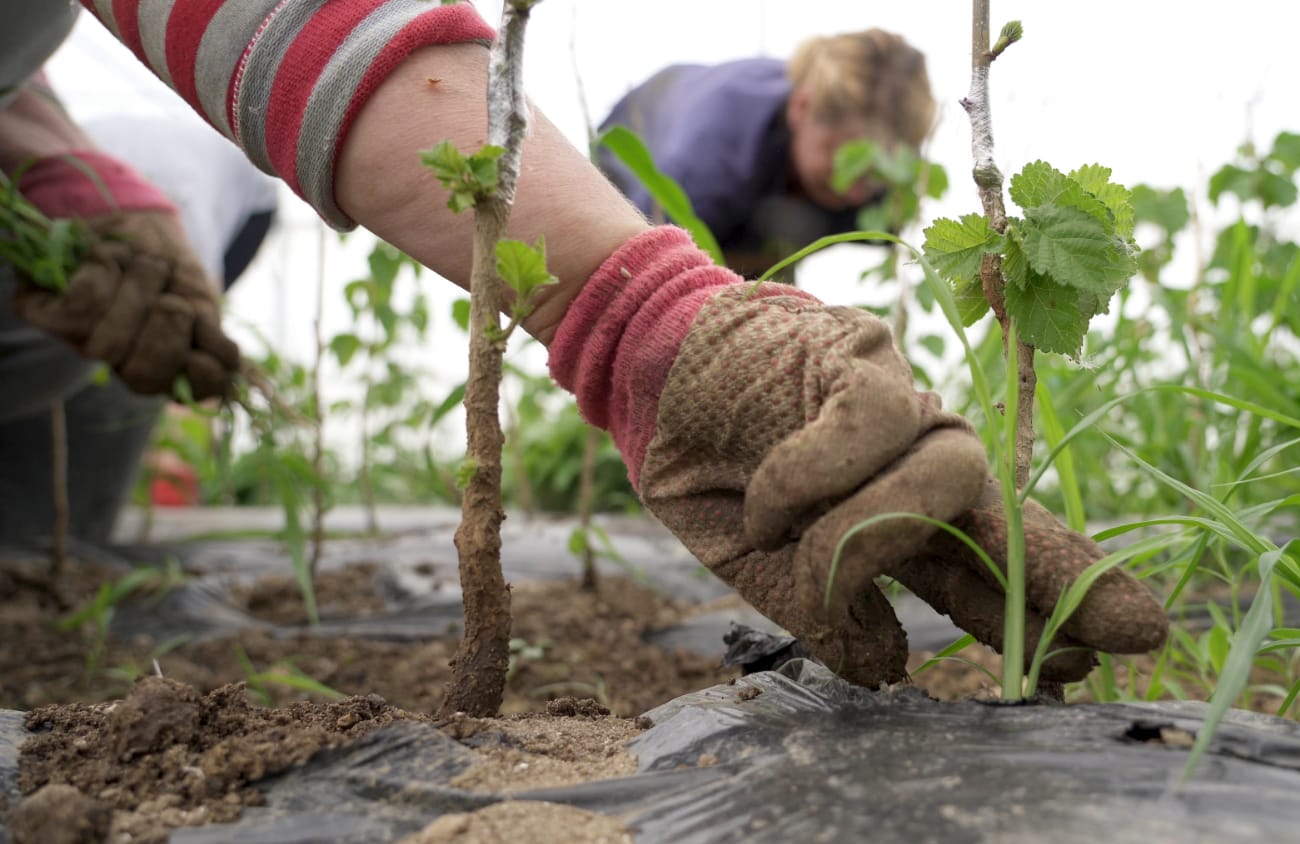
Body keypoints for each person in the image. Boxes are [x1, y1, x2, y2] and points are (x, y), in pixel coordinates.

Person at [5, 1, 1168, 688]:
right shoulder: (710, 128)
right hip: (642, 178)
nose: (869, 182)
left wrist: (670, 331)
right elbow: (670, 220)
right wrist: (649, 298)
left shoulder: (862, 179)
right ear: (810, 111)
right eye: (853, 155)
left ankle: (29, 561)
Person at [1, 2, 277, 543]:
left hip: (202, 204)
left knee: (149, 318)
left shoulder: (160, 208)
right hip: (116, 186)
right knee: (130, 326)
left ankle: (45, 544)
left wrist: (67, 176)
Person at [596, 29, 932, 278]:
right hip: (636, 152)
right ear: (802, 107)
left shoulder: (884, 195)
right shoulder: (713, 155)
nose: (857, 192)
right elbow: (635, 271)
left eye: (878, 173)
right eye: (847, 160)